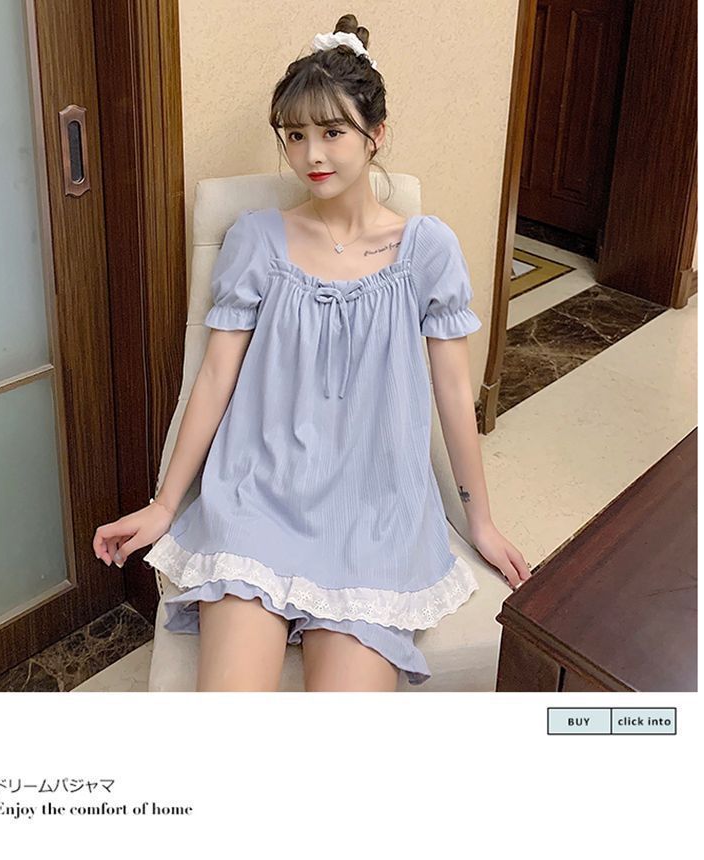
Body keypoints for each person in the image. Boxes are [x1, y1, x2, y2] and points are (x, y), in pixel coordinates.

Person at [93, 14, 531, 692]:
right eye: (295, 135)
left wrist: (481, 521)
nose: (310, 154)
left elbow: (453, 393)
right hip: (258, 497)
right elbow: (214, 377)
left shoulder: (428, 251)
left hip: (375, 511)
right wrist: (164, 503)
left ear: (375, 134)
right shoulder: (255, 240)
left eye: (332, 132)